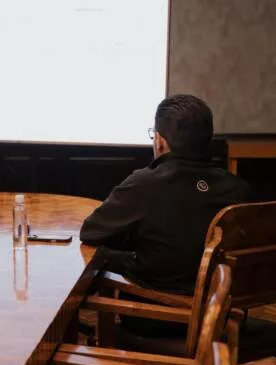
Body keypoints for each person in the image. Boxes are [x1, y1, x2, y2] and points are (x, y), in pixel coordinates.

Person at [80, 95, 249, 335]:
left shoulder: (145, 184)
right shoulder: (238, 189)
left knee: (105, 257)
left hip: (156, 318)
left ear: (159, 141)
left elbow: (91, 231)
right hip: (221, 317)